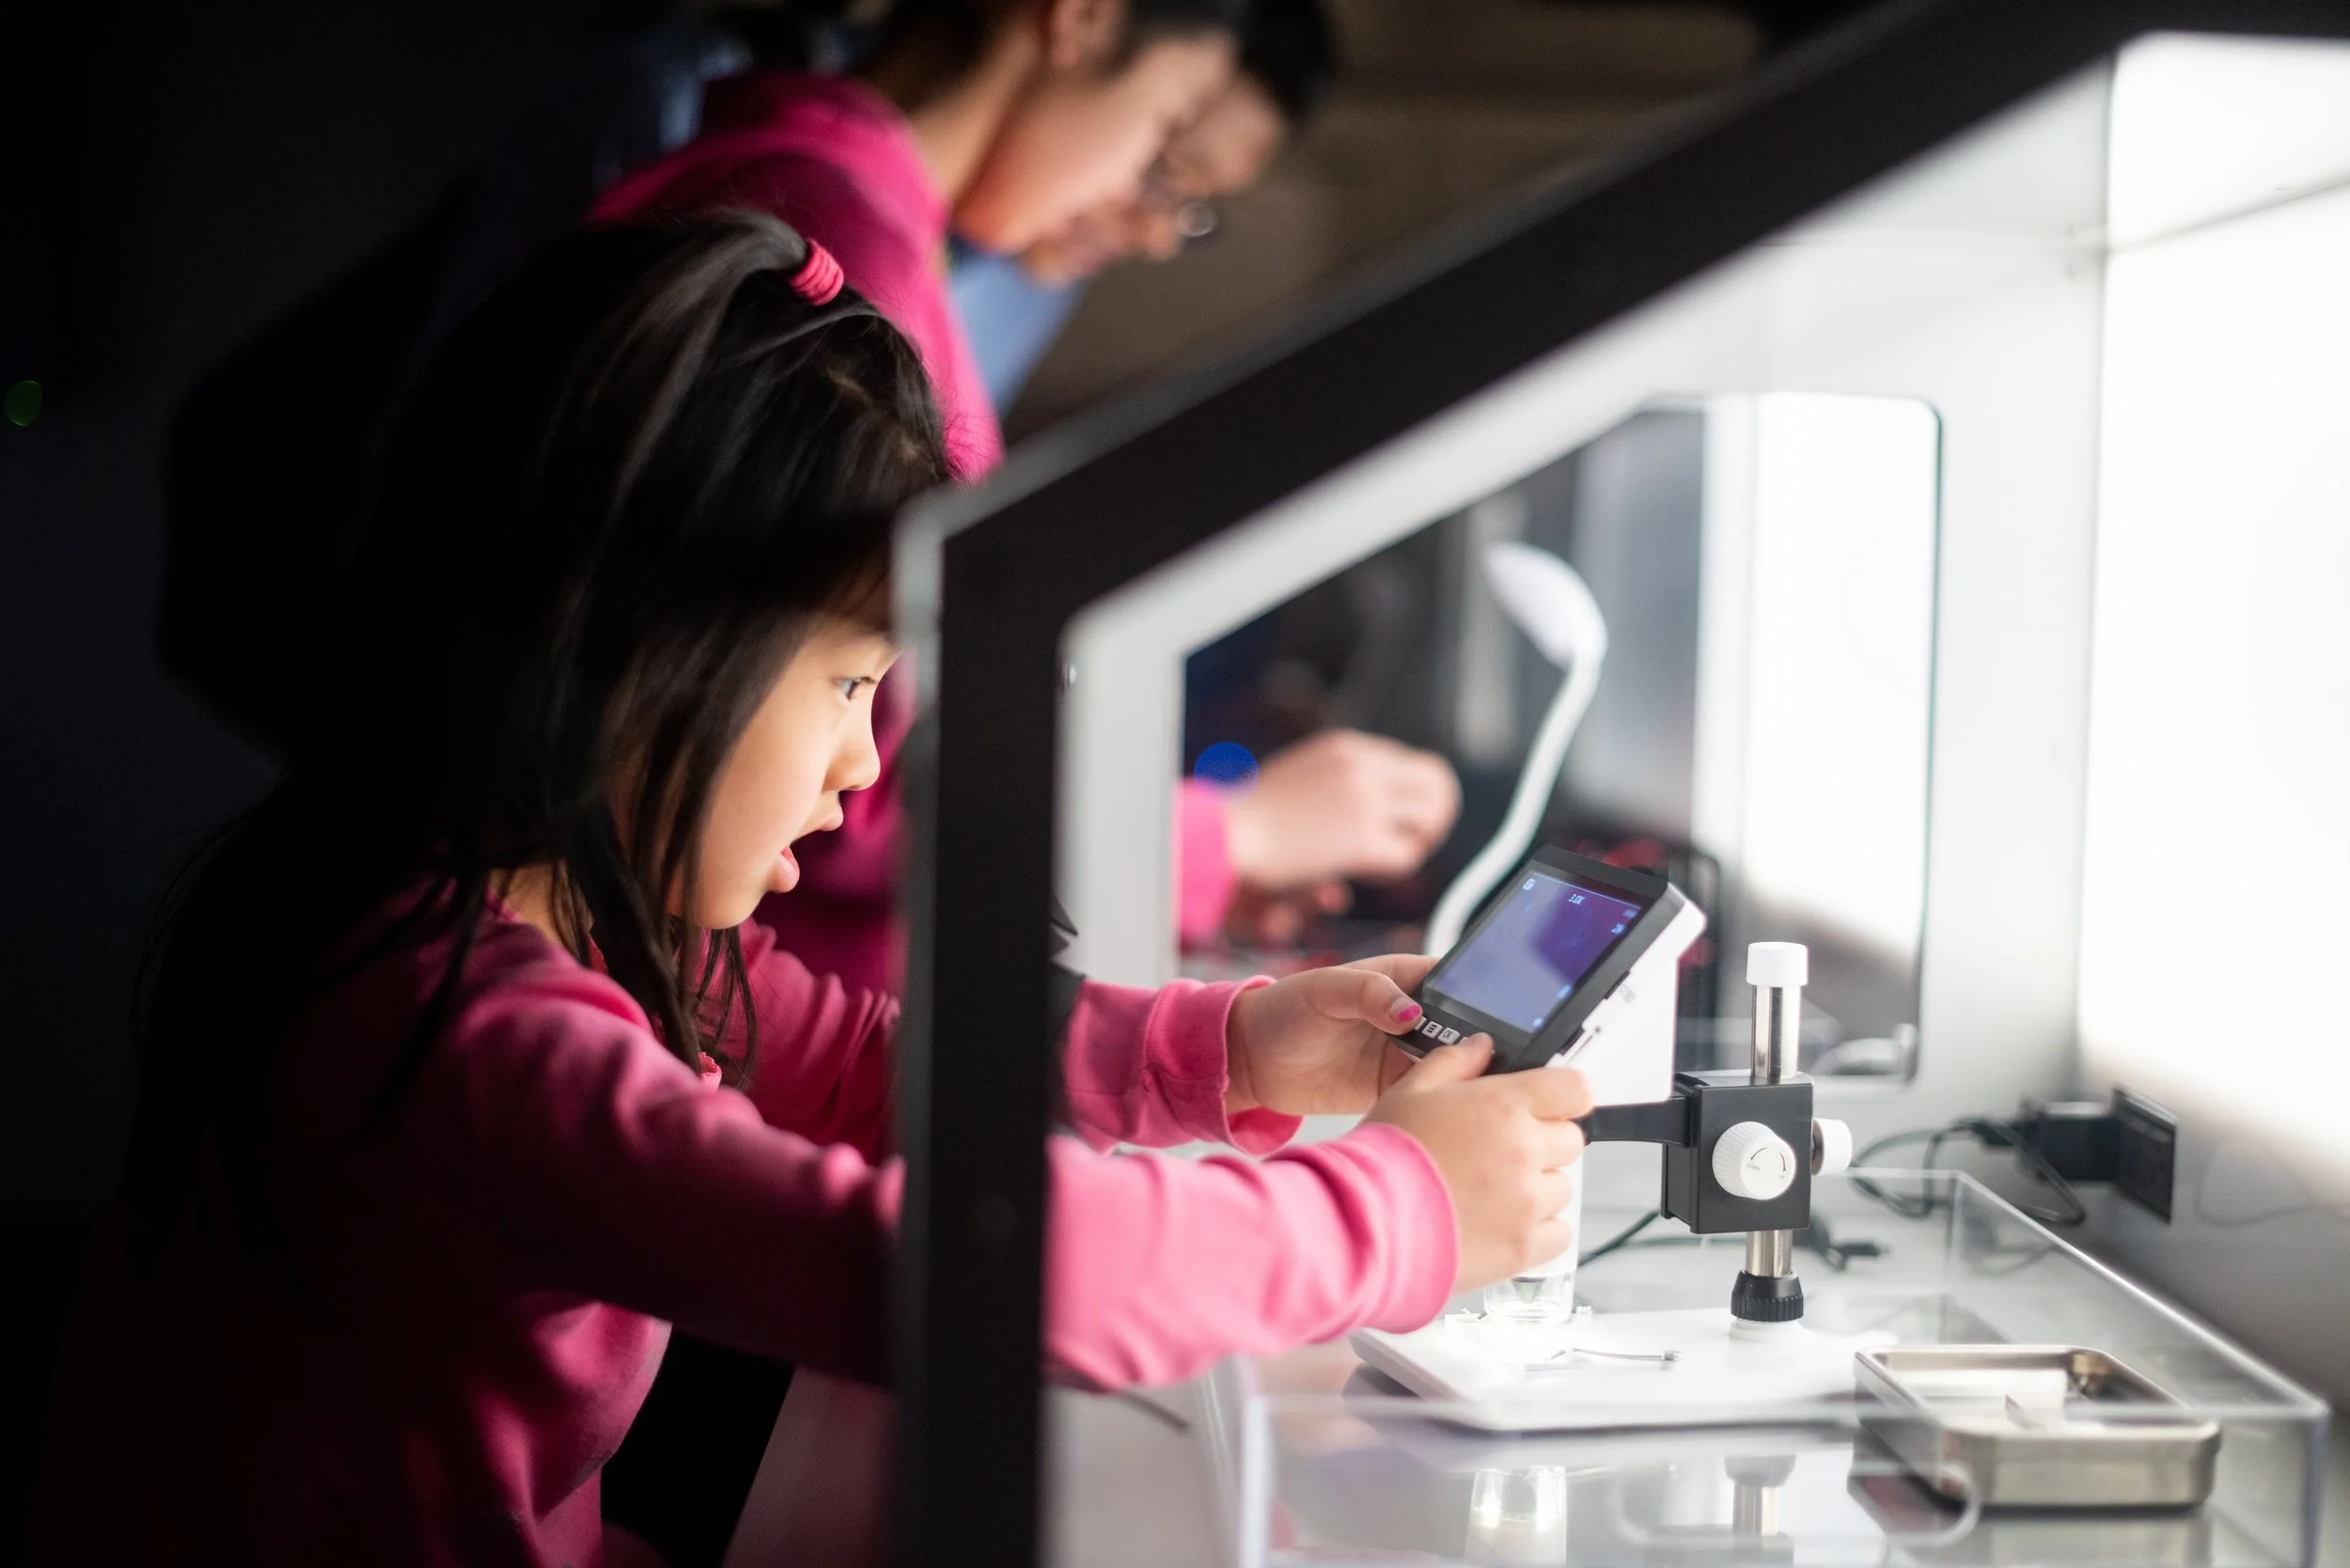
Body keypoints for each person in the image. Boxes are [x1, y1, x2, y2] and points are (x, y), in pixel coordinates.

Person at [28, 216, 1590, 1567]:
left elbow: (858, 1057)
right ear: (639, 651)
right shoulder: (463, 1031)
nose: (865, 763)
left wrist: (1238, 1048)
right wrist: (1406, 1207)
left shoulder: (545, 924)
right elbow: (945, 1267)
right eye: (847, 683)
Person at [593, 0, 1458, 992]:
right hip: (765, 1009)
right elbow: (816, 759)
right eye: (1167, 130)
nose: (1149, 212)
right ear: (1081, 19)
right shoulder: (837, 252)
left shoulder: (850, 221)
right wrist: (1227, 836)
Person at [952, 0, 1336, 410]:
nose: (1157, 238)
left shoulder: (1026, 299)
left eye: (1196, 208)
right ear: (1079, 25)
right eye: (1160, 170)